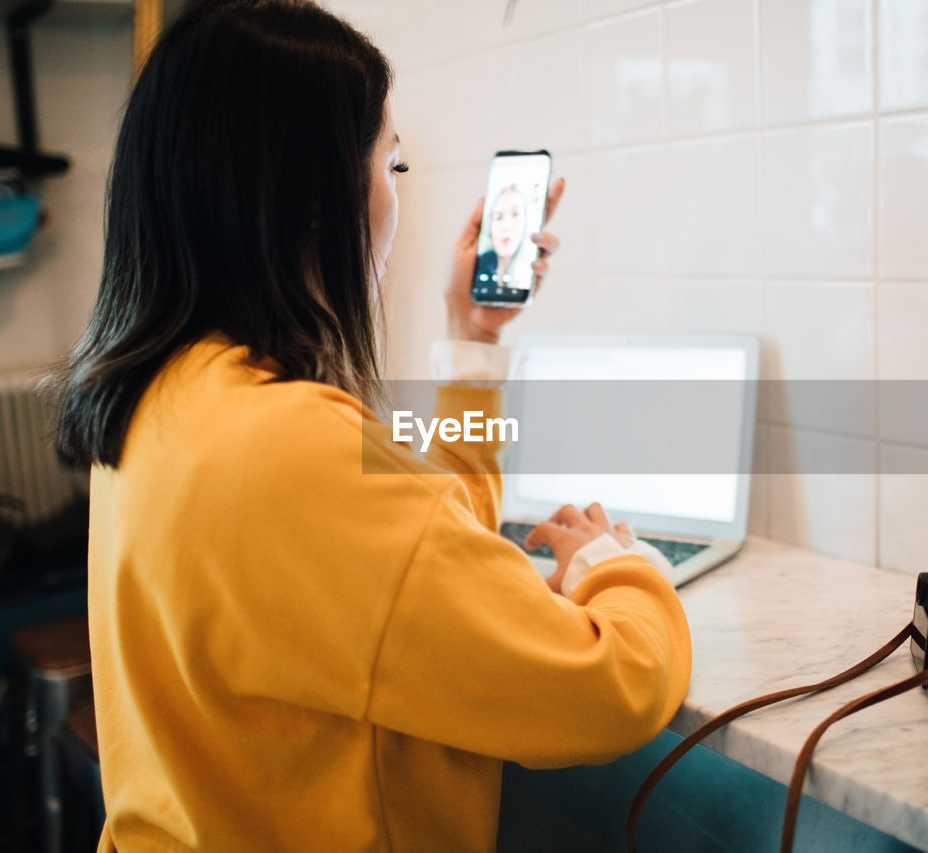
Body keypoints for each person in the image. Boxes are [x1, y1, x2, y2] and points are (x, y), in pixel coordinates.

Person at [50, 1, 691, 850]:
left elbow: (409, 557)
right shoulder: (292, 445)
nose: (394, 196)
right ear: (313, 194)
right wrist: (621, 565)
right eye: (392, 163)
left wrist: (471, 340)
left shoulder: (160, 392)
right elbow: (613, 689)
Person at [475, 183, 528, 289]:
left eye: (515, 214)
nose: (507, 226)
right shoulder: (478, 266)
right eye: (498, 217)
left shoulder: (526, 271)